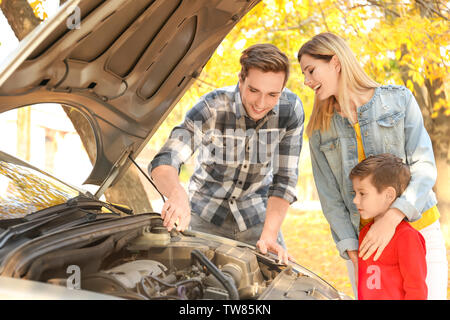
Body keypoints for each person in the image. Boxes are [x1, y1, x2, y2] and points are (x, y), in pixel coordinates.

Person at [297, 32, 447, 299]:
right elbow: (331, 199)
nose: (306, 82)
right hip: (367, 246)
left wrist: (392, 218)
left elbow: (423, 167)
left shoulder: (399, 100)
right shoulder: (319, 130)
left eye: (311, 71)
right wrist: (350, 247)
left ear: (335, 62)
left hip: (418, 229)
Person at [149, 43, 304, 264]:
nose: (261, 104)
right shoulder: (212, 107)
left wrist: (269, 234)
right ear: (241, 80)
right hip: (204, 216)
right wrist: (176, 193)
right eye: (253, 90)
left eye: (272, 95)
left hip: (258, 219)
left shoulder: (291, 110)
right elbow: (166, 160)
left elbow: (285, 180)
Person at [350, 153, 427, 300]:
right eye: (355, 193)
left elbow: (416, 289)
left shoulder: (407, 237)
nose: (355, 200)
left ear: (388, 195)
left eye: (362, 193)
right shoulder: (365, 233)